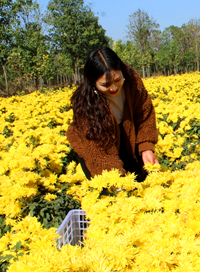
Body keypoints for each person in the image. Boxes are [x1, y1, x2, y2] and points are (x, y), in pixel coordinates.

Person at [67, 47, 159, 182]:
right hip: (96, 149)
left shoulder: (132, 81)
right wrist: (118, 182)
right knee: (110, 188)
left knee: (144, 179)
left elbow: (144, 113)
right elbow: (99, 153)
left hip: (126, 137)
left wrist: (146, 147)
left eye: (117, 80)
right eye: (105, 84)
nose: (114, 87)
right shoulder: (85, 104)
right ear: (93, 83)